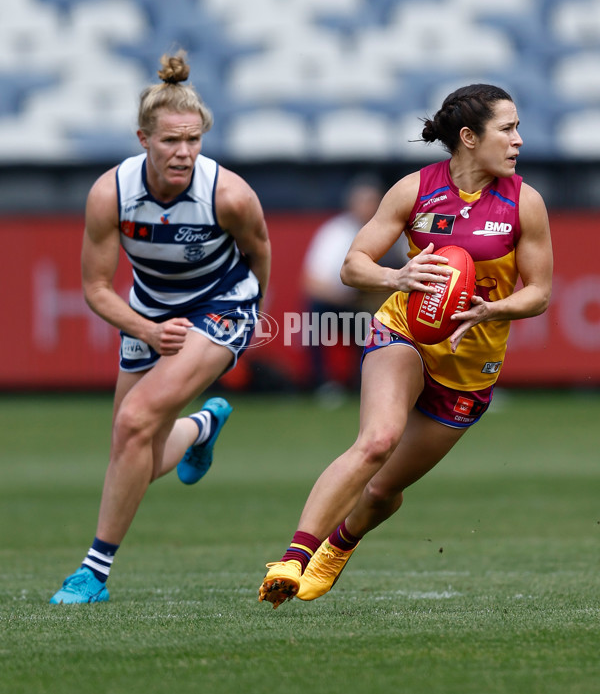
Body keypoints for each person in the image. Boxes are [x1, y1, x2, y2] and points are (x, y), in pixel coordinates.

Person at [258, 83, 553, 608]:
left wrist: (492, 309)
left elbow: (539, 294)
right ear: (468, 137)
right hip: (404, 333)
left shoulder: (524, 202)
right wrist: (397, 275)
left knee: (380, 493)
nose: (518, 141)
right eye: (507, 129)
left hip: (469, 371)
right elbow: (353, 266)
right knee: (376, 440)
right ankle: (294, 558)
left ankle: (340, 544)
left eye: (516, 129)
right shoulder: (414, 190)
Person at [50, 50, 271, 604]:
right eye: (171, 140)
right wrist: (146, 330)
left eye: (193, 140)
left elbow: (259, 251)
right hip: (148, 312)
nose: (184, 152)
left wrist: (248, 320)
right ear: (143, 138)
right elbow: (97, 288)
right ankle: (200, 428)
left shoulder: (229, 195)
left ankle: (92, 575)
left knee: (136, 419)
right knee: (130, 452)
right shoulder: (111, 194)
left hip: (221, 305)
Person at [301, 175, 407, 393]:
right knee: (315, 312)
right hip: (346, 305)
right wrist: (351, 297)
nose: (367, 207)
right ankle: (322, 383)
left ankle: (375, 383)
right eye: (362, 201)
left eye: (371, 201)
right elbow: (312, 282)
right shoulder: (336, 231)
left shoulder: (396, 230)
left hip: (387, 307)